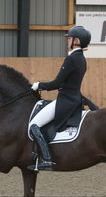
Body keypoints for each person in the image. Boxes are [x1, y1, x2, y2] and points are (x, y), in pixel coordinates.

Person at [28, 26, 91, 171]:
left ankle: (47, 159)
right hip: (74, 99)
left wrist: (39, 85)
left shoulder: (72, 59)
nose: (67, 41)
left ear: (76, 41)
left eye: (69, 38)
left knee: (34, 125)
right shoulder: (81, 58)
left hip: (66, 101)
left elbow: (57, 83)